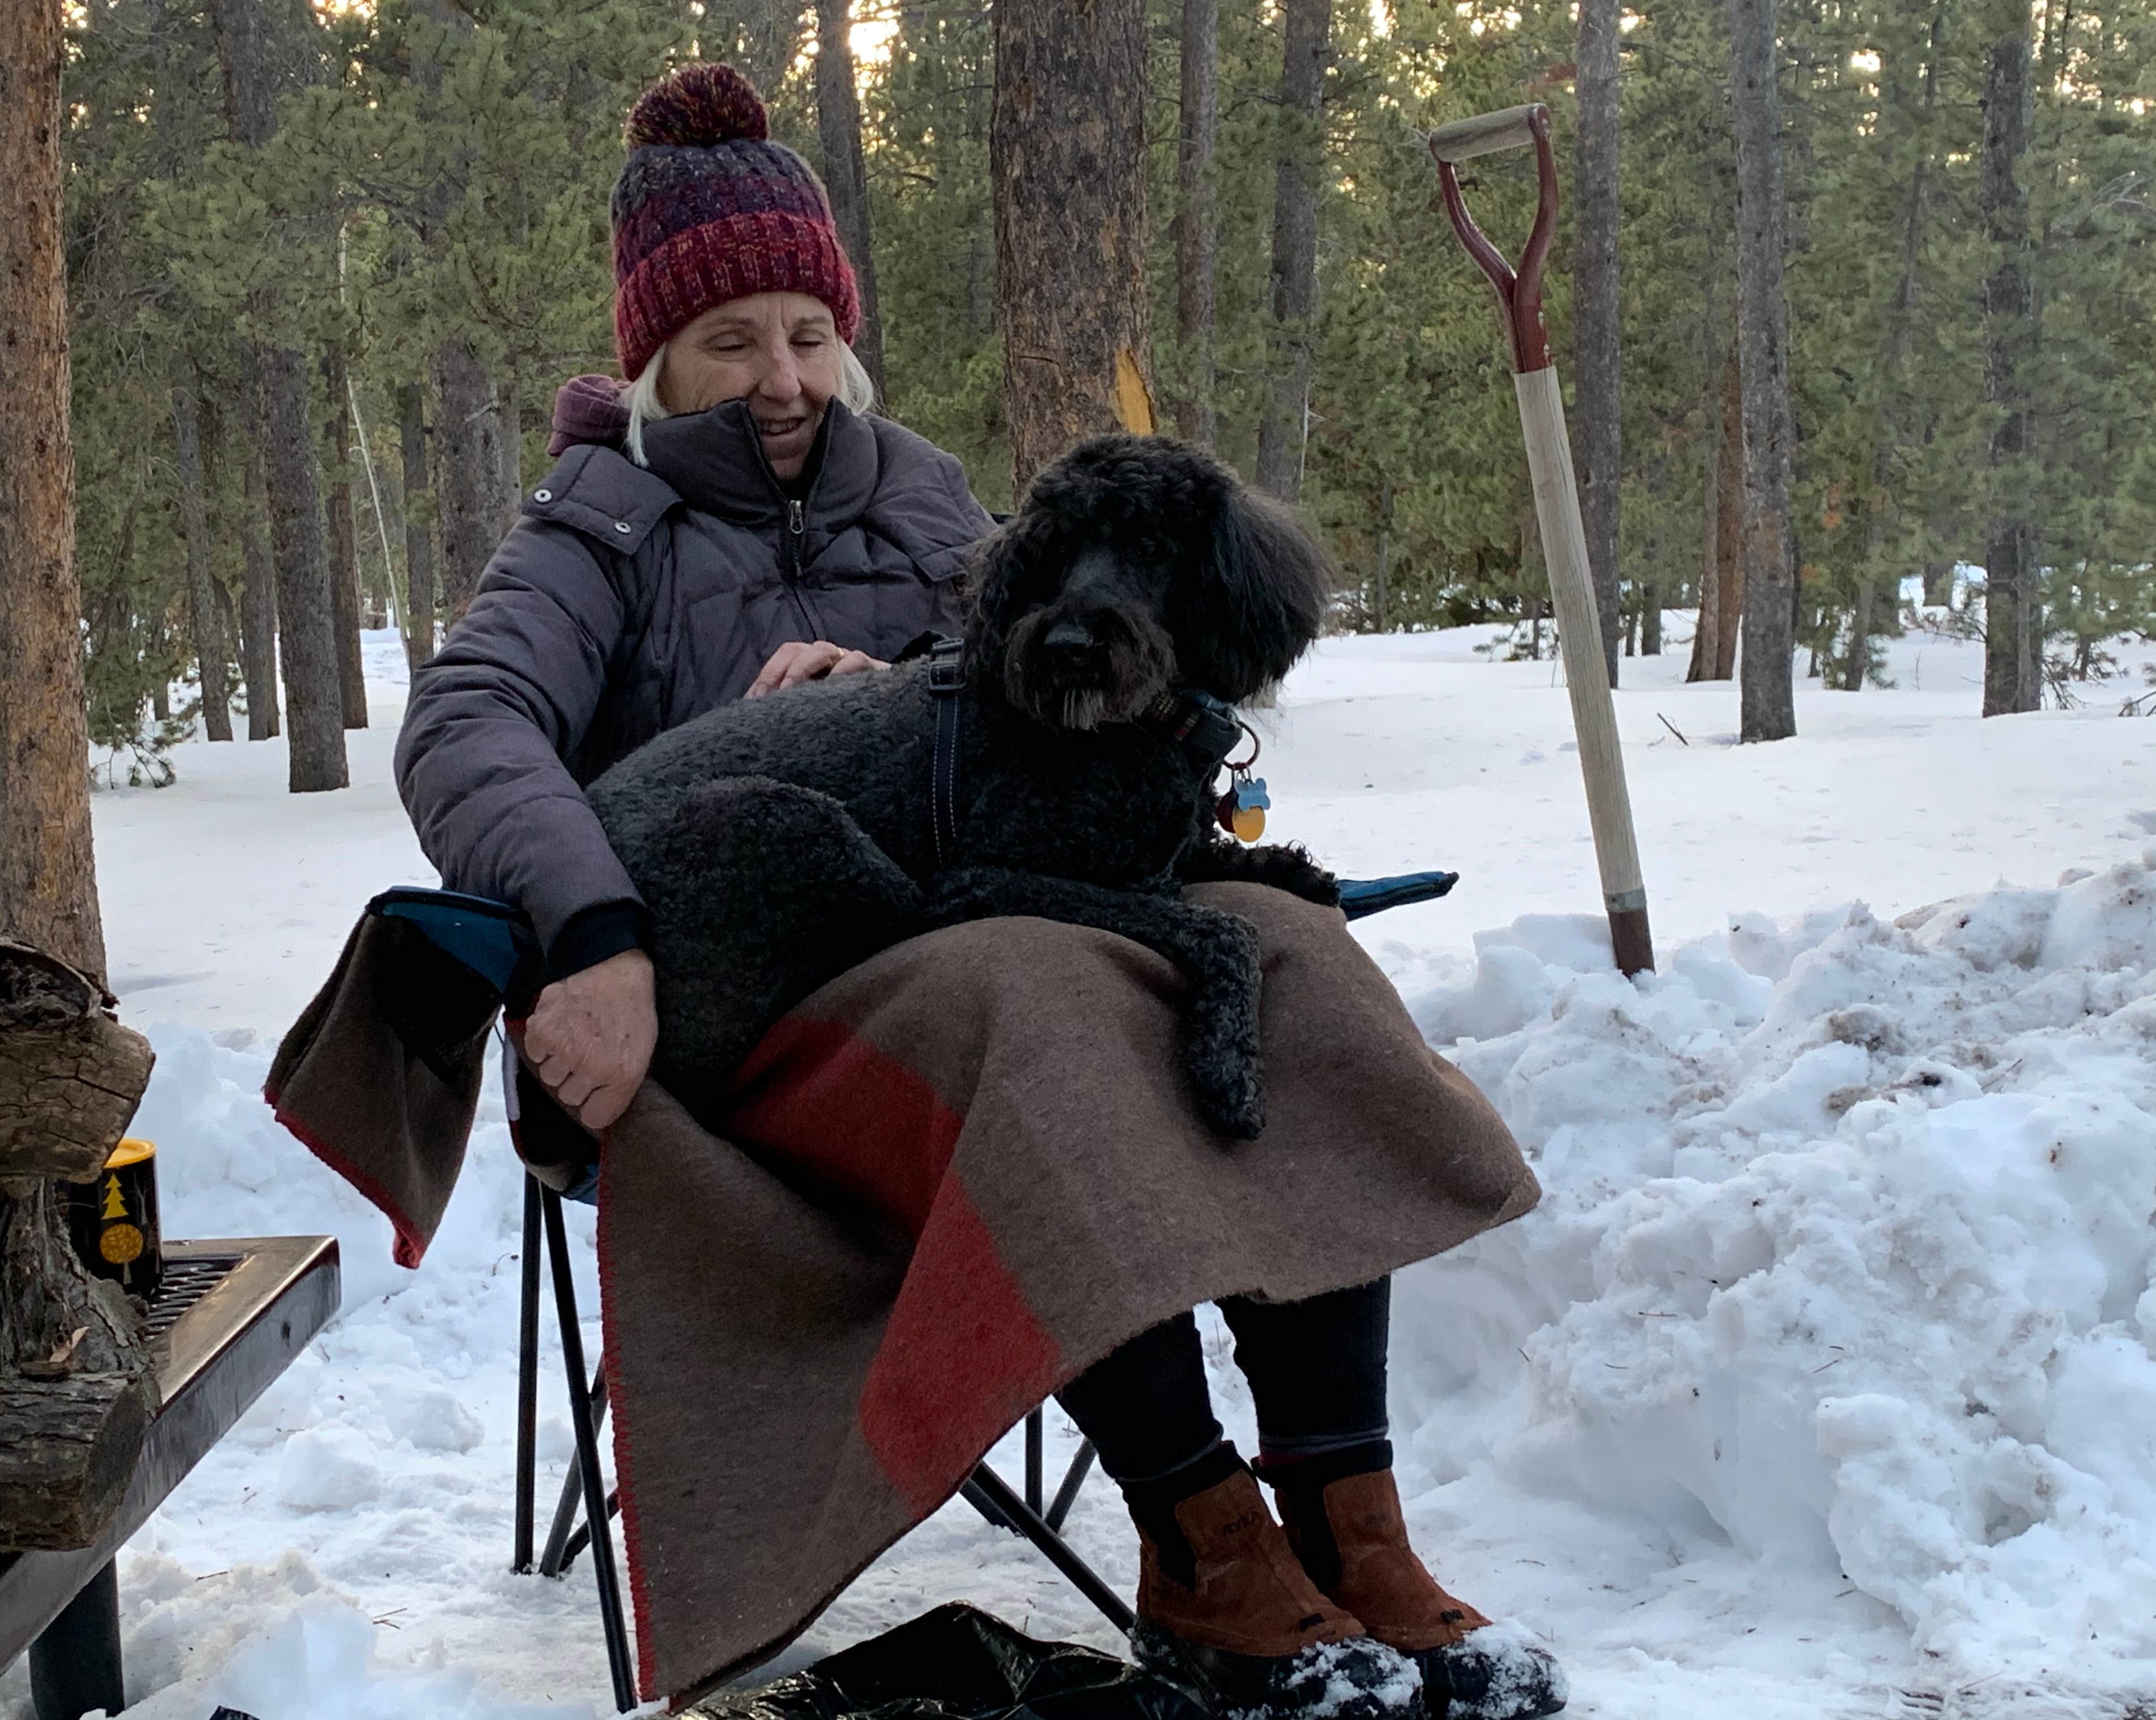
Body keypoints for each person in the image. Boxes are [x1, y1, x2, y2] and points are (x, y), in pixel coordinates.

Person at [395, 63, 1563, 1720]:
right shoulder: (603, 526)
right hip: (732, 1004)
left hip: (977, 920)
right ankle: (1203, 1541)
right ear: (659, 358)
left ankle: (1342, 1514)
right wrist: (595, 932)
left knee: (1285, 946)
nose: (782, 377)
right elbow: (469, 730)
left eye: (808, 332)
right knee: (1034, 997)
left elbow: (1033, 672)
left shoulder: (921, 492)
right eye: (732, 340)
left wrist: (908, 676)